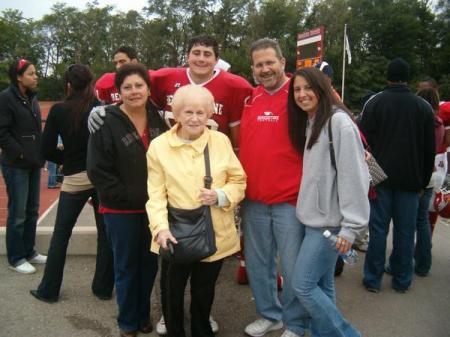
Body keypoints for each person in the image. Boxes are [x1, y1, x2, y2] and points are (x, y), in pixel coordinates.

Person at [146, 84, 246, 337]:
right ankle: (175, 330)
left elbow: (238, 180)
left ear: (209, 115)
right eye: (188, 112)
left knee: (205, 290)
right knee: (172, 291)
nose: (194, 118)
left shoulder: (220, 141)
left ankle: (202, 329)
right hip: (174, 233)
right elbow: (155, 194)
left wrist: (221, 195)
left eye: (201, 112)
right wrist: (160, 229)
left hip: (215, 231)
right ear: (176, 114)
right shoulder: (158, 147)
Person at [288, 66, 369, 337]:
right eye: (297, 89)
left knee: (303, 284)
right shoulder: (310, 121)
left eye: (308, 88)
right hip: (312, 218)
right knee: (322, 285)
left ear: (321, 88)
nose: (302, 94)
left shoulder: (339, 122)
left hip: (330, 224)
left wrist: (351, 227)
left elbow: (355, 177)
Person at [87, 63, 167, 337]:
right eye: (127, 87)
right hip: (120, 209)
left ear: (148, 88)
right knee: (126, 267)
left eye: (139, 85)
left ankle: (143, 314)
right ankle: (127, 321)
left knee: (148, 266)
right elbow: (98, 170)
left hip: (153, 209)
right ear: (118, 91)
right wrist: (129, 197)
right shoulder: (105, 120)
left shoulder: (157, 117)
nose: (134, 91)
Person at [29, 64, 114, 303]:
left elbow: (45, 149)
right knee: (105, 233)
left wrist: (64, 160)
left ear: (68, 85)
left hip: (75, 177)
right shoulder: (101, 108)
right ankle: (103, 288)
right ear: (91, 84)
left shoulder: (58, 110)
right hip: (100, 177)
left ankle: (49, 290)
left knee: (61, 235)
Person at [239, 38, 306, 337]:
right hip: (253, 200)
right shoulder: (250, 99)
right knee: (258, 264)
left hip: (290, 201)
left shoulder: (300, 95)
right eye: (258, 64)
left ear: (282, 63)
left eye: (270, 62)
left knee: (293, 269)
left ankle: (295, 322)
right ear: (252, 68)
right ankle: (270, 315)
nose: (265, 69)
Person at [361, 58, 435, 293]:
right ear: (408, 79)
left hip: (380, 176)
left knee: (378, 230)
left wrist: (370, 173)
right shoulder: (422, 107)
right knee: (405, 231)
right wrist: (423, 181)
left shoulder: (375, 103)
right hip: (411, 179)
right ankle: (402, 280)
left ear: (388, 77)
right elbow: (429, 150)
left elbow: (363, 141)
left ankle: (373, 279)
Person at [0, 59, 47, 274]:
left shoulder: (32, 98)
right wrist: (21, 152)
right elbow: (3, 134)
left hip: (33, 163)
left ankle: (29, 251)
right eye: (31, 73)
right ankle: (16, 258)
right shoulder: (6, 99)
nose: (36, 76)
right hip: (16, 165)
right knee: (17, 213)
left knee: (32, 210)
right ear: (19, 77)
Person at [411, 88, 444, 277]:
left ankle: (404, 261)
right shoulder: (438, 125)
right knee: (423, 220)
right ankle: (424, 263)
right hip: (431, 175)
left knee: (407, 222)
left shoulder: (420, 124)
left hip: (417, 175)